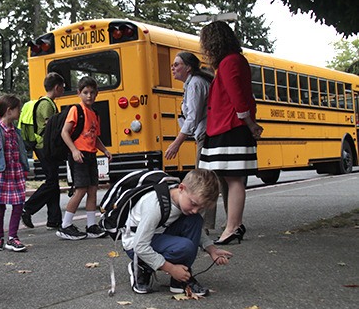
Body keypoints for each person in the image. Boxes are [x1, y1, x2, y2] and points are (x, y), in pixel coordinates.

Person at [198, 21, 264, 245]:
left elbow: (237, 96)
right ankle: (233, 225)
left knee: (233, 179)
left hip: (229, 126)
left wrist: (248, 122)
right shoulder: (233, 61)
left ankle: (233, 226)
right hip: (228, 126)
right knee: (229, 177)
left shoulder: (228, 63)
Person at [123, 169, 233, 295]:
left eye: (201, 208)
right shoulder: (155, 205)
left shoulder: (183, 201)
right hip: (136, 245)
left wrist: (212, 249)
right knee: (184, 246)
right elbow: (139, 245)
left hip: (158, 235)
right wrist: (171, 269)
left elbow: (195, 228)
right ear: (181, 188)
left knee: (195, 220)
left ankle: (180, 280)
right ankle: (142, 266)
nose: (195, 210)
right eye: (193, 204)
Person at [164, 52, 216, 231]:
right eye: (173, 65)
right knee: (211, 179)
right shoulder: (193, 83)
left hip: (206, 134)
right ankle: (208, 224)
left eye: (177, 64)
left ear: (188, 67)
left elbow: (192, 117)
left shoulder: (195, 84)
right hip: (207, 133)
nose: (173, 68)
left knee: (201, 180)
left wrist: (176, 143)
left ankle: (202, 226)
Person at [56, 76, 112, 240]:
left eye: (92, 93)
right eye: (86, 92)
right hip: (78, 155)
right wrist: (74, 150)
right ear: (79, 93)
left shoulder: (95, 113)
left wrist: (105, 150)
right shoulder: (76, 110)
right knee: (80, 190)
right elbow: (64, 132)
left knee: (93, 189)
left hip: (91, 155)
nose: (89, 96)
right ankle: (65, 225)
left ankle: (91, 225)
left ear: (97, 94)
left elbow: (95, 137)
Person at [0, 94, 30, 252]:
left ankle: (12, 237)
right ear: (9, 111)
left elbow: (21, 152)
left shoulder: (16, 132)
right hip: (0, 174)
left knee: (18, 204)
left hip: (15, 172)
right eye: (19, 109)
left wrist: (25, 169)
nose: (20, 111)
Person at [21, 72, 66, 230]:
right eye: (62, 87)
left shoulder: (44, 101)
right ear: (57, 87)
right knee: (52, 182)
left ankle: (54, 219)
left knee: (53, 182)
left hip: (42, 146)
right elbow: (51, 126)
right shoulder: (47, 104)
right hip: (44, 147)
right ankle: (27, 208)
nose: (63, 90)